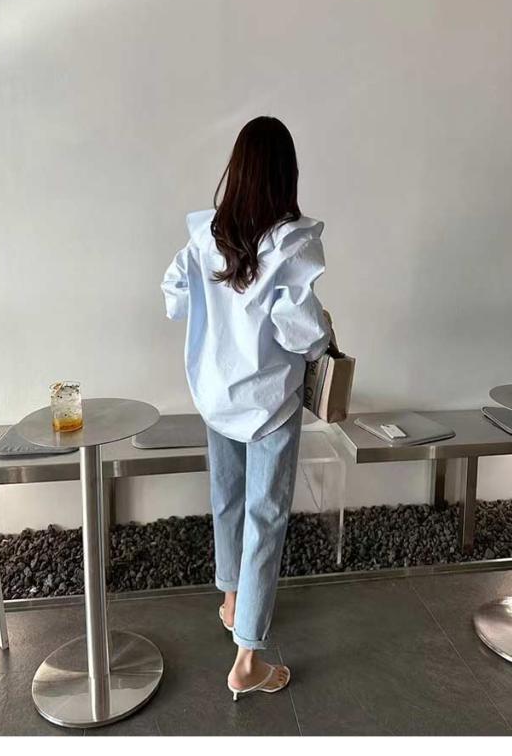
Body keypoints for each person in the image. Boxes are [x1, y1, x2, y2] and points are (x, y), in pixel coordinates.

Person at [161, 116, 331, 701]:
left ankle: (232, 599)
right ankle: (248, 659)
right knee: (266, 518)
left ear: (236, 170)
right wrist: (324, 337)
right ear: (285, 173)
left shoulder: (208, 235)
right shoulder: (291, 243)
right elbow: (299, 331)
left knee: (227, 501)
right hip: (269, 403)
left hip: (216, 395)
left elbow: (174, 298)